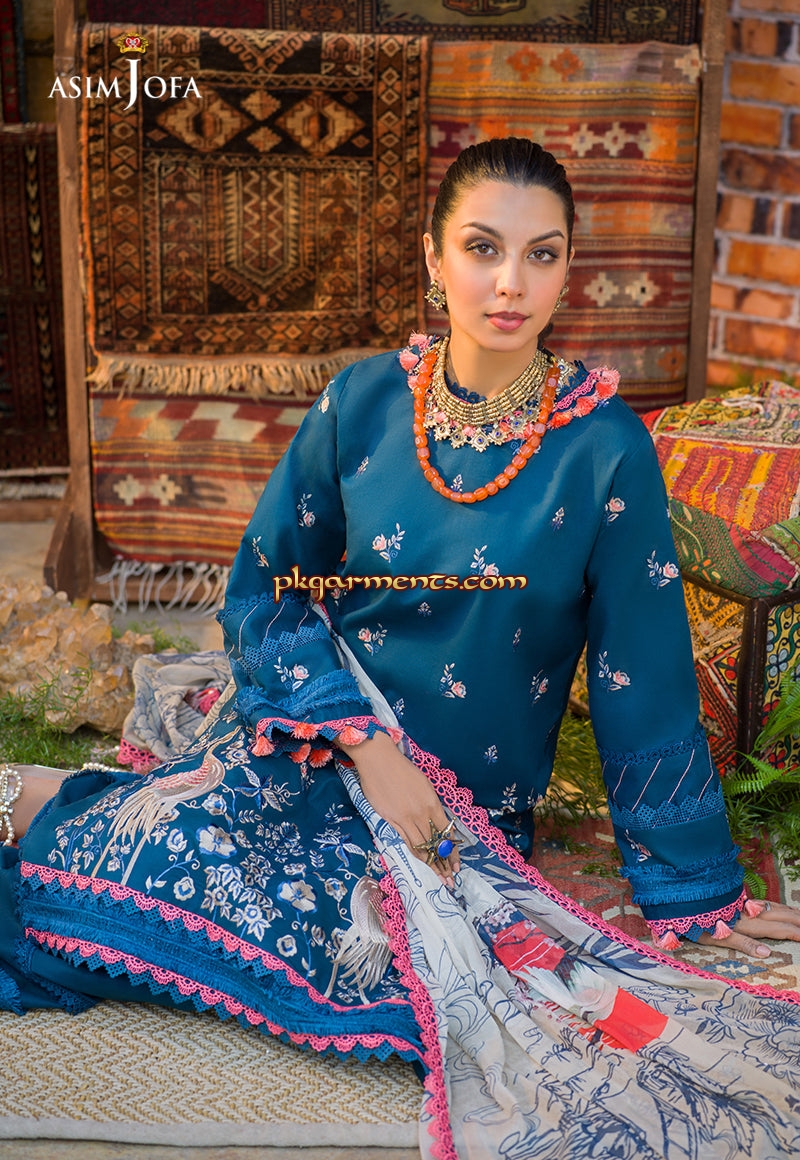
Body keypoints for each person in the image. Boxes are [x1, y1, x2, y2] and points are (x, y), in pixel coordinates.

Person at [2, 137, 800, 1158]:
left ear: (568, 271)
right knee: (162, 855)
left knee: (364, 959)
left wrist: (695, 890)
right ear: (433, 258)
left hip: (457, 810)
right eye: (482, 248)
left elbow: (638, 668)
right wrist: (364, 746)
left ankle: (56, 798)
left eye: (541, 255)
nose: (509, 284)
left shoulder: (603, 447)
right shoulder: (364, 401)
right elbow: (265, 591)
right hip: (321, 741)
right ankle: (34, 796)